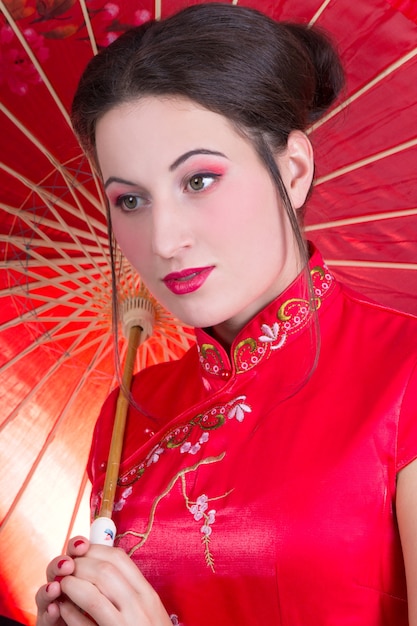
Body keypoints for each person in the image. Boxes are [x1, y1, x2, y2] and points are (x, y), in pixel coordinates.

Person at [35, 3, 417, 625]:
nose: (162, 239)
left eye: (199, 181)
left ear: (292, 171)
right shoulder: (128, 411)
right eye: (129, 199)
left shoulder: (405, 375)